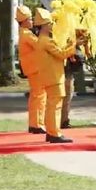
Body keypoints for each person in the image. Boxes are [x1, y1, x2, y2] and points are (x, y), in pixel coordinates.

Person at [35, 8, 82, 143]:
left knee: (52, 105)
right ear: (44, 26)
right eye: (49, 23)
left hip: (51, 76)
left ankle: (52, 132)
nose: (52, 25)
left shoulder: (43, 40)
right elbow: (61, 54)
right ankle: (54, 133)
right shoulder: (47, 41)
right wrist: (74, 45)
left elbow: (59, 52)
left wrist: (70, 44)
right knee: (55, 106)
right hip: (54, 77)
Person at [16, 6, 47, 134]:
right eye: (30, 19)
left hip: (32, 68)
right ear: (24, 21)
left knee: (36, 96)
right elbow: (40, 45)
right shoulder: (27, 34)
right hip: (35, 68)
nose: (32, 21)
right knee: (40, 96)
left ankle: (34, 124)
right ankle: (37, 124)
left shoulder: (24, 33)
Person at [61, 32, 90, 129]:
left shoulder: (78, 47)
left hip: (70, 74)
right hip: (64, 74)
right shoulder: (67, 44)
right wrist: (74, 43)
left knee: (68, 98)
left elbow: (87, 56)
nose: (83, 41)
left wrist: (86, 46)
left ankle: (65, 120)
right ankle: (62, 120)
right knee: (64, 98)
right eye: (81, 38)